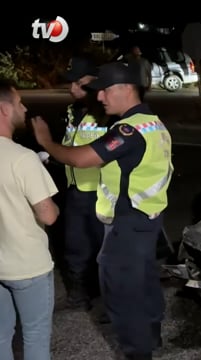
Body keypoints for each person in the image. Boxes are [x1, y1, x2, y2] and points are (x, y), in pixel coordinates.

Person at [31, 62, 174, 360]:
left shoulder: (129, 129)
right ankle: (151, 337)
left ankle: (139, 353)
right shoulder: (152, 122)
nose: (99, 97)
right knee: (144, 282)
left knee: (122, 296)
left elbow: (82, 158)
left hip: (127, 226)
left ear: (126, 89)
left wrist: (45, 141)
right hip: (147, 220)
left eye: (105, 90)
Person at [0, 80, 60, 360]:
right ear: (3, 109)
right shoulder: (23, 159)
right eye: (19, 102)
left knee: (0, 336)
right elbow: (47, 214)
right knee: (35, 336)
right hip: (27, 266)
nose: (24, 109)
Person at [56, 56, 113, 312]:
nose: (72, 89)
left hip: (102, 192)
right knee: (75, 243)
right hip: (76, 190)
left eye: (79, 83)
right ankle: (79, 293)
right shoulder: (72, 111)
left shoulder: (108, 114)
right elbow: (71, 144)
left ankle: (107, 297)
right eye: (71, 83)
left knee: (104, 248)